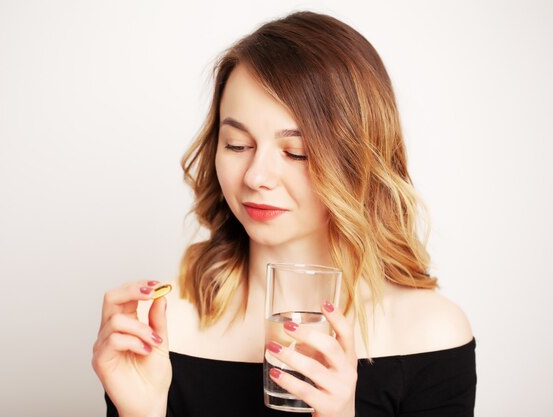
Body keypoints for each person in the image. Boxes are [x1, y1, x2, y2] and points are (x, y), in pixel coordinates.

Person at [92, 10, 476, 417]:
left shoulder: (430, 331)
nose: (257, 176)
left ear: (359, 158)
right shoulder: (164, 328)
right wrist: (142, 412)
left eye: (297, 152)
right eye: (237, 145)